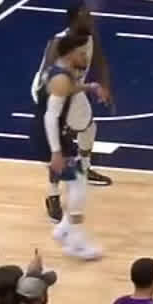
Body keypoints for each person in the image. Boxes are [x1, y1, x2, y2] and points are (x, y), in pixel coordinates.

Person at [33, 33, 102, 259]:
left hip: (53, 135)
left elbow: (66, 90)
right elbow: (50, 116)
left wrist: (89, 87)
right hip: (49, 136)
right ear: (71, 54)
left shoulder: (59, 71)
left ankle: (64, 229)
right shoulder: (61, 78)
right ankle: (75, 241)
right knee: (79, 182)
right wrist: (56, 152)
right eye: (82, 53)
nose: (85, 57)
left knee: (77, 181)